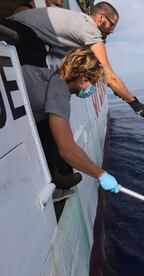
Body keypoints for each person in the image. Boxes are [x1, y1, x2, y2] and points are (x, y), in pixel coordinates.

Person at [6, 1, 144, 119]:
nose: (112, 31)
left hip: (11, 27)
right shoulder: (90, 29)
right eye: (111, 25)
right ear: (100, 17)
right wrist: (134, 103)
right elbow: (110, 76)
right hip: (23, 36)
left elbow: (20, 10)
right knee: (49, 105)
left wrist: (118, 90)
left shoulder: (78, 20)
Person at [22, 47, 120, 193]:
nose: (92, 88)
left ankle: (54, 174)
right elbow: (68, 150)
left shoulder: (52, 76)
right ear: (82, 78)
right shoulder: (59, 93)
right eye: (92, 82)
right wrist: (101, 175)